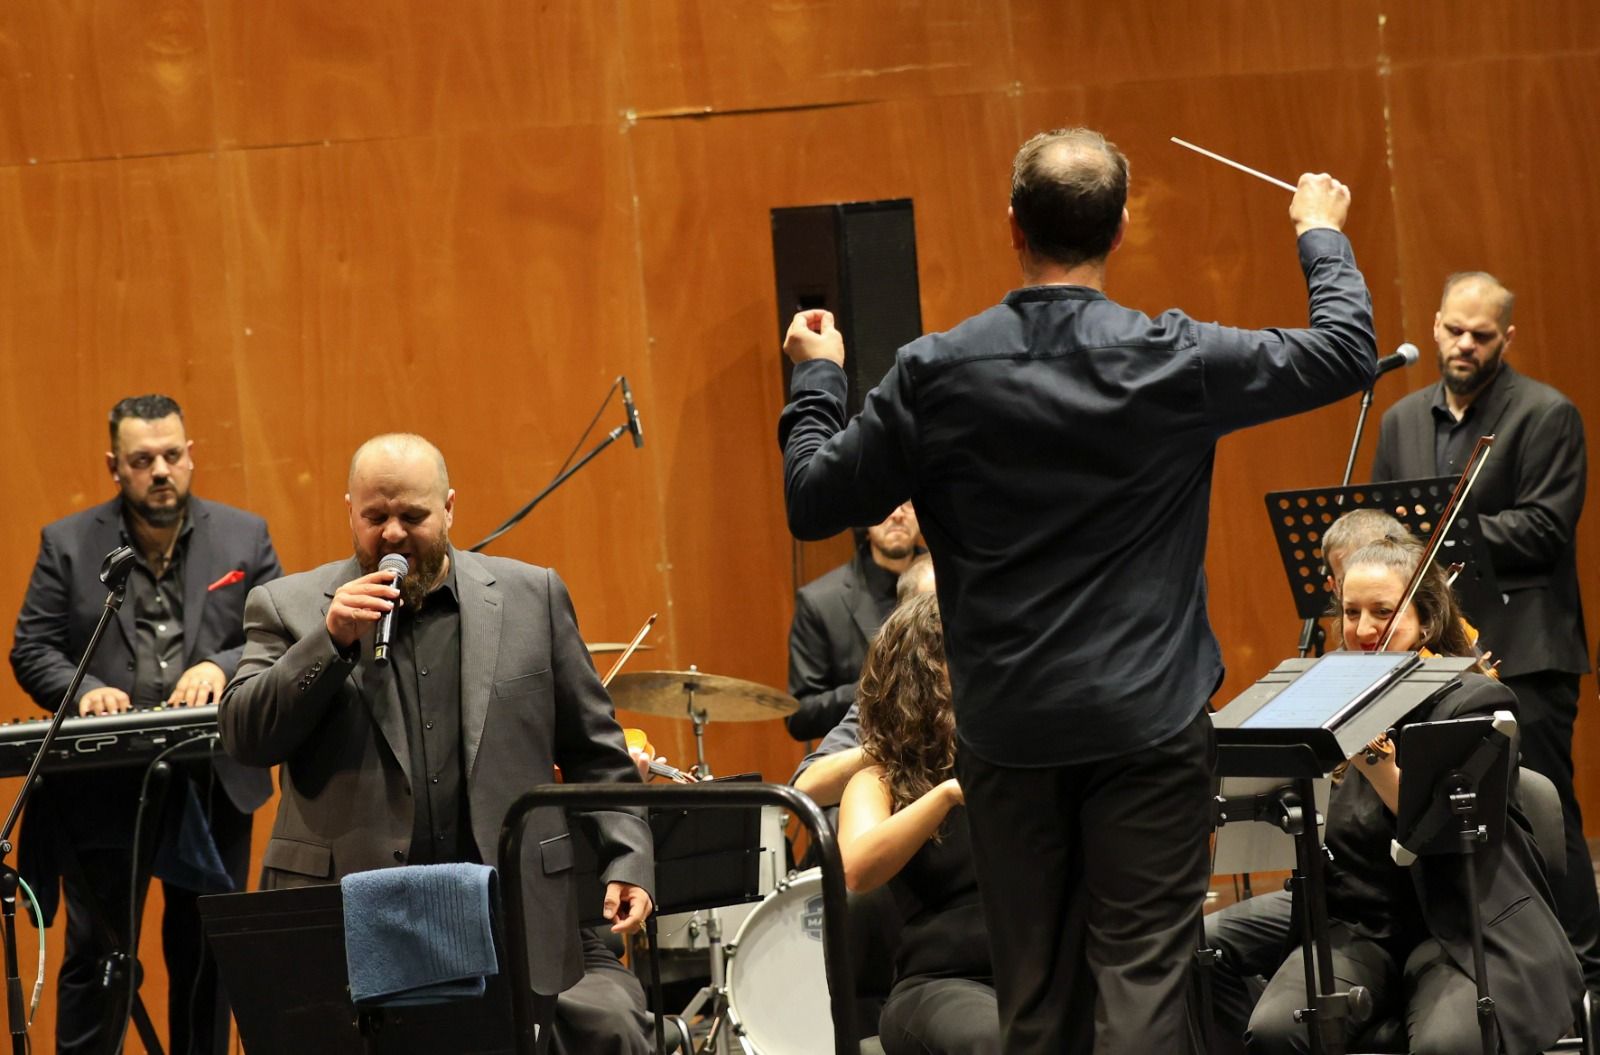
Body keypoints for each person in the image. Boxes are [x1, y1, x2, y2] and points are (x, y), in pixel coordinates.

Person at [779, 126, 1377, 1051]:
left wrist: (818, 377)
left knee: (1037, 1004)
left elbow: (812, 497)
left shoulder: (935, 373)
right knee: (1143, 992)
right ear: (1122, 226)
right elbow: (1345, 350)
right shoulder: (1172, 358)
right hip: (1146, 729)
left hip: (1011, 740)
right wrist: (1319, 232)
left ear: (1012, 225)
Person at [217, 433, 653, 1048]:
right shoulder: (289, 607)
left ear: (449, 508)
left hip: (507, 911)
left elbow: (596, 753)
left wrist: (628, 856)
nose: (392, 535)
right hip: (354, 921)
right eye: (375, 517)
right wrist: (331, 638)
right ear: (349, 511)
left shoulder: (534, 597)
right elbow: (243, 735)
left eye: (412, 516)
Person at [1204, 538, 1582, 1054]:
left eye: (1383, 613)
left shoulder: (1471, 699)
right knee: (1269, 1026)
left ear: (1426, 622)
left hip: (1457, 920)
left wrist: (1375, 760)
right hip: (1358, 917)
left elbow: (1442, 834)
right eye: (1351, 612)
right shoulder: (1327, 694)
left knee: (1446, 1046)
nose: (1362, 630)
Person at [9, 394, 282, 1055]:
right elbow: (33, 646)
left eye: (172, 454)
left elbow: (276, 625)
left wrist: (221, 664)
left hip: (214, 779)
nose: (160, 469)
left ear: (191, 454)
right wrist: (88, 690)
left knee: (207, 951)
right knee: (99, 954)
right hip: (105, 785)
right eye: (141, 459)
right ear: (114, 465)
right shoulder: (68, 544)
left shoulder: (244, 536)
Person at [1369, 270, 1597, 986]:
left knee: (1543, 812)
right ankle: (1476, 961)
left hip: (1526, 650)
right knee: (1451, 815)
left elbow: (1543, 530)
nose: (1464, 345)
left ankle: (1584, 970)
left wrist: (1434, 527)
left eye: (1482, 334)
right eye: (1454, 329)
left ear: (1507, 337)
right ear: (1434, 323)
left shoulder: (1545, 413)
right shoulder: (1401, 420)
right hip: (1432, 663)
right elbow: (1381, 531)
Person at [838, 593, 998, 1055]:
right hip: (944, 985)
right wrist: (946, 795)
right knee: (994, 1042)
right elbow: (857, 868)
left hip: (1035, 969)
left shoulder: (1012, 763)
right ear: (918, 676)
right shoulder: (879, 781)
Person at [786, 500, 919, 741]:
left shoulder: (952, 582)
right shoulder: (820, 601)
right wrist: (875, 687)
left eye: (907, 504)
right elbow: (800, 716)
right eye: (887, 503)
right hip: (860, 758)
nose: (897, 515)